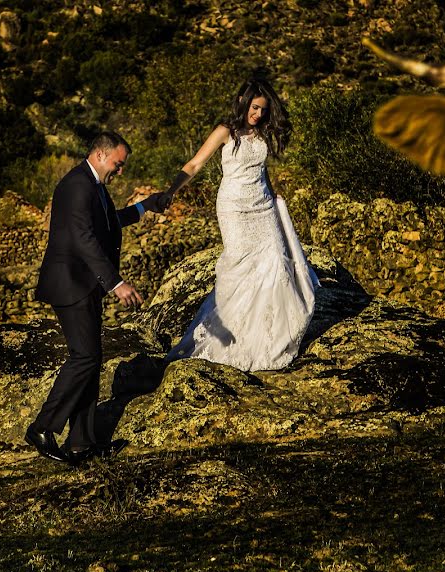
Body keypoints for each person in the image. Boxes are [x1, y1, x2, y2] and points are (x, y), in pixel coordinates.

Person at [25, 132, 168, 465]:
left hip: (83, 284)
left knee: (91, 358)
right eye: (118, 165)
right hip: (70, 284)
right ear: (102, 155)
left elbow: (108, 223)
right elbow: (85, 239)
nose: (120, 172)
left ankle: (82, 443)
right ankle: (42, 428)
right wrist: (116, 283)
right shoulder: (77, 186)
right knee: (85, 357)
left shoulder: (94, 187)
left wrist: (144, 207)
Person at [160, 75, 318, 372]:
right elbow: (195, 164)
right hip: (233, 206)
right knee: (240, 267)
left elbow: (261, 170)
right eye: (255, 108)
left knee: (275, 262)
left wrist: (273, 196)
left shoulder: (262, 136)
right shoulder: (225, 131)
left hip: (262, 205)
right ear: (244, 103)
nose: (258, 115)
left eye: (263, 110)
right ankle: (234, 338)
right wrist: (171, 190)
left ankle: (270, 338)